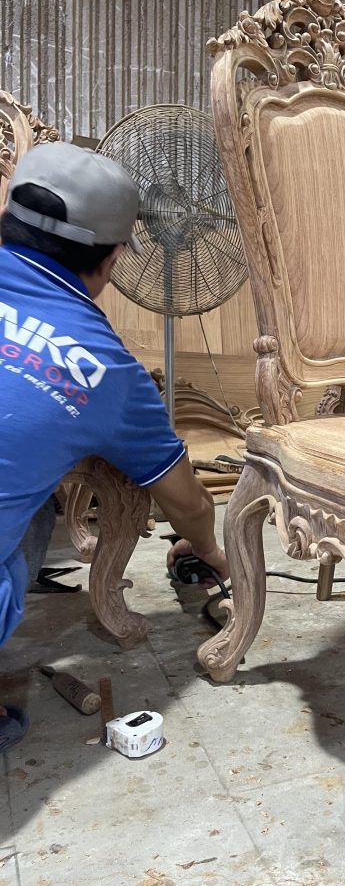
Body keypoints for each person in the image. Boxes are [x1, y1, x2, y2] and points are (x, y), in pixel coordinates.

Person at [0, 142, 228, 752]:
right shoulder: (103, 367)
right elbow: (187, 502)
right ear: (115, 258)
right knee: (29, 518)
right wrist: (211, 551)